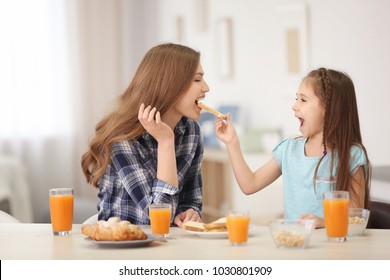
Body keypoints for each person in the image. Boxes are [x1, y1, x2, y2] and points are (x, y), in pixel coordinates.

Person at [214, 67, 371, 228]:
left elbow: (355, 217)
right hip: (295, 246)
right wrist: (232, 142)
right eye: (297, 98)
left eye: (303, 100)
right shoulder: (288, 150)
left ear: (329, 108)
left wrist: (324, 222)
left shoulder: (352, 155)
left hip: (334, 249)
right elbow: (250, 184)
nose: (294, 106)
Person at [81, 43, 210, 228]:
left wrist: (190, 212)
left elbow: (192, 200)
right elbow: (158, 219)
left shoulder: (192, 132)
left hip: (171, 246)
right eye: (197, 80)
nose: (206, 88)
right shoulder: (122, 138)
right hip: (123, 248)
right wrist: (166, 142)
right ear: (170, 85)